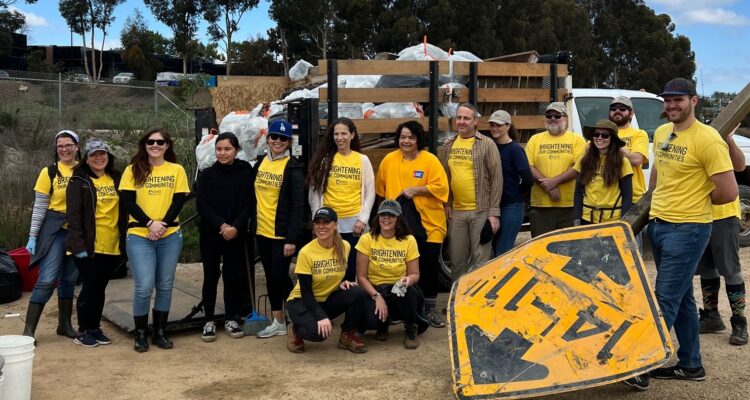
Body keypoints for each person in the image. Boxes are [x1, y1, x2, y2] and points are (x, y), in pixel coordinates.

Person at [623, 78, 738, 391]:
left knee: (664, 298)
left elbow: (727, 191)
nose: (672, 106)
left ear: (694, 101)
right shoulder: (662, 132)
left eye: (678, 100)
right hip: (660, 225)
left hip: (688, 229)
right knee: (682, 298)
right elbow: (658, 175)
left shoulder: (708, 139)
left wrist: (693, 200)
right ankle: (690, 365)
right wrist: (652, 207)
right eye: (668, 101)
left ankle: (641, 364)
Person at [119, 128, 190, 352]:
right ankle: (141, 333)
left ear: (167, 146)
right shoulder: (132, 170)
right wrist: (151, 224)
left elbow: (179, 201)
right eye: (151, 142)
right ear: (145, 144)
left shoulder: (176, 170)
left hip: (169, 235)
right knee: (144, 286)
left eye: (160, 142)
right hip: (140, 235)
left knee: (165, 285)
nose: (155, 145)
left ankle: (160, 331)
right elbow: (129, 202)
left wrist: (162, 226)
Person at [375, 121, 449, 328]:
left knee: (428, 265)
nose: (406, 141)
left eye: (411, 137)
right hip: (402, 225)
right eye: (402, 137)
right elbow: (381, 193)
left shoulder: (430, 161)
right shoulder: (389, 160)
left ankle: (430, 308)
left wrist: (416, 190)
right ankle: (404, 307)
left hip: (430, 223)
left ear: (418, 140)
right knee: (403, 267)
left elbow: (442, 187)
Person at [64, 138, 126, 348]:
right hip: (89, 245)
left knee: (100, 288)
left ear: (109, 157)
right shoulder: (78, 181)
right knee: (90, 287)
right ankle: (83, 330)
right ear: (86, 159)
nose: (99, 158)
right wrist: (78, 246)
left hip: (112, 243)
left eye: (102, 154)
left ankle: (95, 328)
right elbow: (73, 216)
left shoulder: (116, 178)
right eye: (94, 155)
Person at [22, 130, 81, 342]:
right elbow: (39, 206)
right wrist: (33, 236)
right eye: (60, 146)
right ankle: (28, 331)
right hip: (54, 230)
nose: (64, 149)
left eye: (68, 145)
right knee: (47, 279)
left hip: (76, 231)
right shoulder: (49, 172)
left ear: (76, 146)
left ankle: (64, 325)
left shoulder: (85, 170)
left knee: (69, 279)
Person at [286, 207, 368, 354]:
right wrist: (322, 317)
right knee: (319, 334)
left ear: (335, 225)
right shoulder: (306, 252)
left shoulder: (345, 246)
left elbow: (336, 271)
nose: (321, 226)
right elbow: (305, 291)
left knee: (357, 292)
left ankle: (347, 335)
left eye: (326, 222)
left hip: (325, 299)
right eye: (318, 223)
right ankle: (295, 330)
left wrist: (341, 283)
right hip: (301, 301)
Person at [196, 132, 254, 342]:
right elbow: (202, 204)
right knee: (210, 275)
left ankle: (231, 317)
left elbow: (249, 202)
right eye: (219, 149)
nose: (222, 153)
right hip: (212, 232)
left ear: (236, 150)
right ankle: (209, 320)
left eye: (227, 149)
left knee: (232, 275)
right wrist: (221, 225)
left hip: (235, 234)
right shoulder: (207, 175)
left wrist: (236, 227)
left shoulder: (245, 172)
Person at [253, 120, 305, 339]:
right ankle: (279, 320)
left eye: (283, 139)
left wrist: (291, 238)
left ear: (288, 143)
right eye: (274, 137)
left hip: (281, 234)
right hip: (262, 231)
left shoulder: (292, 167)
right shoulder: (259, 163)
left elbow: (298, 206)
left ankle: (297, 311)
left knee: (279, 275)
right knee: (271, 276)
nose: (278, 142)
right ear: (268, 139)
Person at [697, 126, 747, 346]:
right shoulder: (692, 136)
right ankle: (711, 317)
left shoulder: (716, 136)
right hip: (697, 214)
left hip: (724, 214)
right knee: (707, 269)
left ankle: (739, 322)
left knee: (730, 269)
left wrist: (729, 140)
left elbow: (740, 165)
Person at [308, 117, 375, 281]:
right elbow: (314, 192)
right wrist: (318, 219)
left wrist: (363, 219)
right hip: (330, 223)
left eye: (344, 133)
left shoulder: (362, 160)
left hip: (354, 224)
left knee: (352, 269)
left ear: (352, 135)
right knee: (332, 269)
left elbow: (370, 192)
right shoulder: (325, 160)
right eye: (336, 134)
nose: (340, 137)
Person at [443, 103, 502, 279]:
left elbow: (497, 179)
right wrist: (448, 204)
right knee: (457, 260)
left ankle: (477, 305)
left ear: (475, 121)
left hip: (481, 212)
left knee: (481, 263)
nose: (461, 121)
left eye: (466, 118)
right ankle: (457, 303)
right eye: (459, 117)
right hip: (458, 213)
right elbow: (447, 177)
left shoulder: (487, 144)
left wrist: (493, 213)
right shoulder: (449, 144)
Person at [356, 200, 423, 349]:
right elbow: (361, 277)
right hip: (375, 289)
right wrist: (376, 296)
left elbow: (415, 274)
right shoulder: (367, 239)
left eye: (391, 215)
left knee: (409, 292)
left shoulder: (409, 240)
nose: (386, 218)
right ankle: (382, 325)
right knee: (369, 320)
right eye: (383, 214)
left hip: (398, 289)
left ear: (398, 218)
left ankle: (411, 329)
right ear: (378, 217)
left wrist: (408, 280)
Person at [525, 102, 586, 237]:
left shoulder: (577, 140)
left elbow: (578, 167)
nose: (552, 118)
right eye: (549, 115)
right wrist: (548, 186)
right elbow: (528, 165)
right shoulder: (535, 139)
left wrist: (554, 182)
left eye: (557, 115)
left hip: (569, 206)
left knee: (568, 249)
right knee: (540, 249)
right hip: (540, 206)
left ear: (566, 118)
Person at [487, 110, 532, 255]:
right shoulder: (489, 147)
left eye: (498, 125)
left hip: (510, 207)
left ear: (508, 126)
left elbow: (527, 179)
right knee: (491, 250)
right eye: (492, 125)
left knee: (503, 250)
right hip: (493, 207)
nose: (494, 128)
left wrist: (514, 194)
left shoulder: (515, 150)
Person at [572, 120, 633, 225]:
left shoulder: (623, 162)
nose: (599, 138)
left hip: (612, 220)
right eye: (596, 134)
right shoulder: (584, 160)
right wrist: (576, 218)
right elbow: (578, 192)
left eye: (605, 135)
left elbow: (627, 196)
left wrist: (623, 222)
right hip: (587, 218)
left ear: (612, 139)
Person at [608, 96, 649, 204]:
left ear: (631, 113)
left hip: (633, 197)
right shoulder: (602, 132)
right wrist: (625, 153)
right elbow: (588, 152)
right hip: (606, 198)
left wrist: (611, 146)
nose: (617, 111)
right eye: (613, 108)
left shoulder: (639, 134)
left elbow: (636, 160)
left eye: (622, 109)